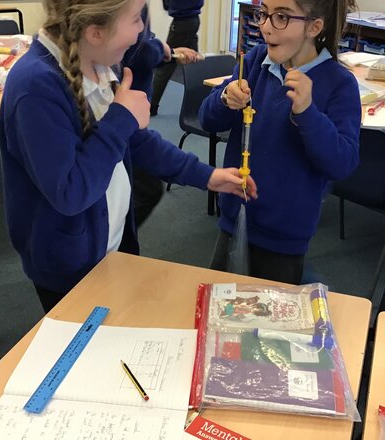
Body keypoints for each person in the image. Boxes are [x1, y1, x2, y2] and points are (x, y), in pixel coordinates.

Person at [0, 0, 257, 312]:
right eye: (136, 19)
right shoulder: (35, 87)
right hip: (69, 267)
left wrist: (207, 176)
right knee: (87, 337)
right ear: (95, 32)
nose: (141, 32)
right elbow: (70, 191)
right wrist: (121, 117)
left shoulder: (100, 62)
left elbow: (136, 143)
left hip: (110, 244)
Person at [199, 0, 360, 284]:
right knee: (219, 302)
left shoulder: (339, 83)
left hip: (285, 235)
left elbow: (342, 163)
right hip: (234, 216)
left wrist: (307, 113)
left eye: (282, 17)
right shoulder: (254, 62)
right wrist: (225, 99)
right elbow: (207, 120)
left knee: (272, 309)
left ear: (314, 27)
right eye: (264, 14)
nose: (265, 26)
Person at [122, 6, 201, 227]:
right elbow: (139, 48)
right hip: (128, 112)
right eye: (136, 20)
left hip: (131, 119)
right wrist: (162, 48)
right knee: (144, 188)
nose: (141, 28)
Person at [150, 0, 203, 116]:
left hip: (182, 21)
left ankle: (151, 105)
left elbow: (167, 5)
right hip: (193, 19)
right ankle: (201, 103)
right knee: (193, 60)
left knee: (167, 61)